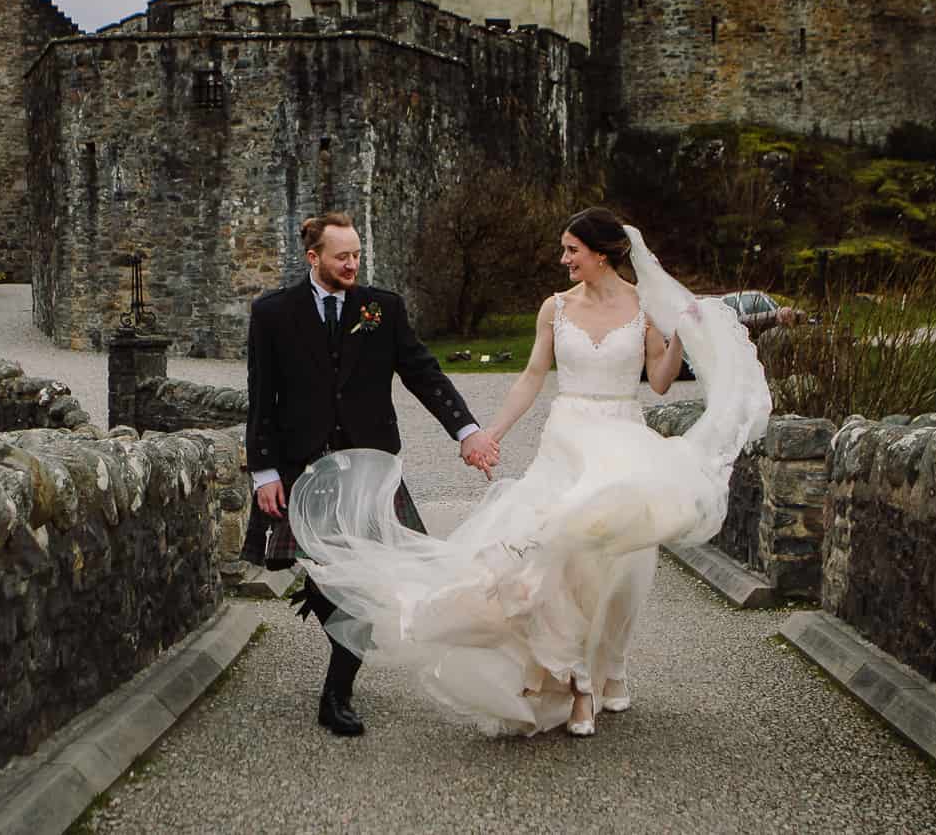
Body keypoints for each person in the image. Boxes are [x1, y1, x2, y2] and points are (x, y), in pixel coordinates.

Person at [287, 207, 772, 738]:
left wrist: (679, 336)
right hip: (566, 443)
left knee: (621, 572)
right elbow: (530, 378)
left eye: (572, 250)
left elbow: (658, 381)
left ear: (603, 255)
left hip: (623, 442)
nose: (562, 259)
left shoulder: (643, 308)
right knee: (555, 565)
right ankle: (576, 683)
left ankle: (608, 668)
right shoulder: (554, 308)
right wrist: (488, 432)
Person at [241, 211, 500, 737]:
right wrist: (263, 471)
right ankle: (328, 609)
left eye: (357, 254)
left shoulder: (383, 308)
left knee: (363, 582)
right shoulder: (272, 313)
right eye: (342, 256)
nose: (353, 264)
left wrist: (466, 431)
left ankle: (337, 693)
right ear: (313, 258)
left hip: (368, 468)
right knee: (325, 581)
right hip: (301, 468)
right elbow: (261, 395)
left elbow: (423, 373)